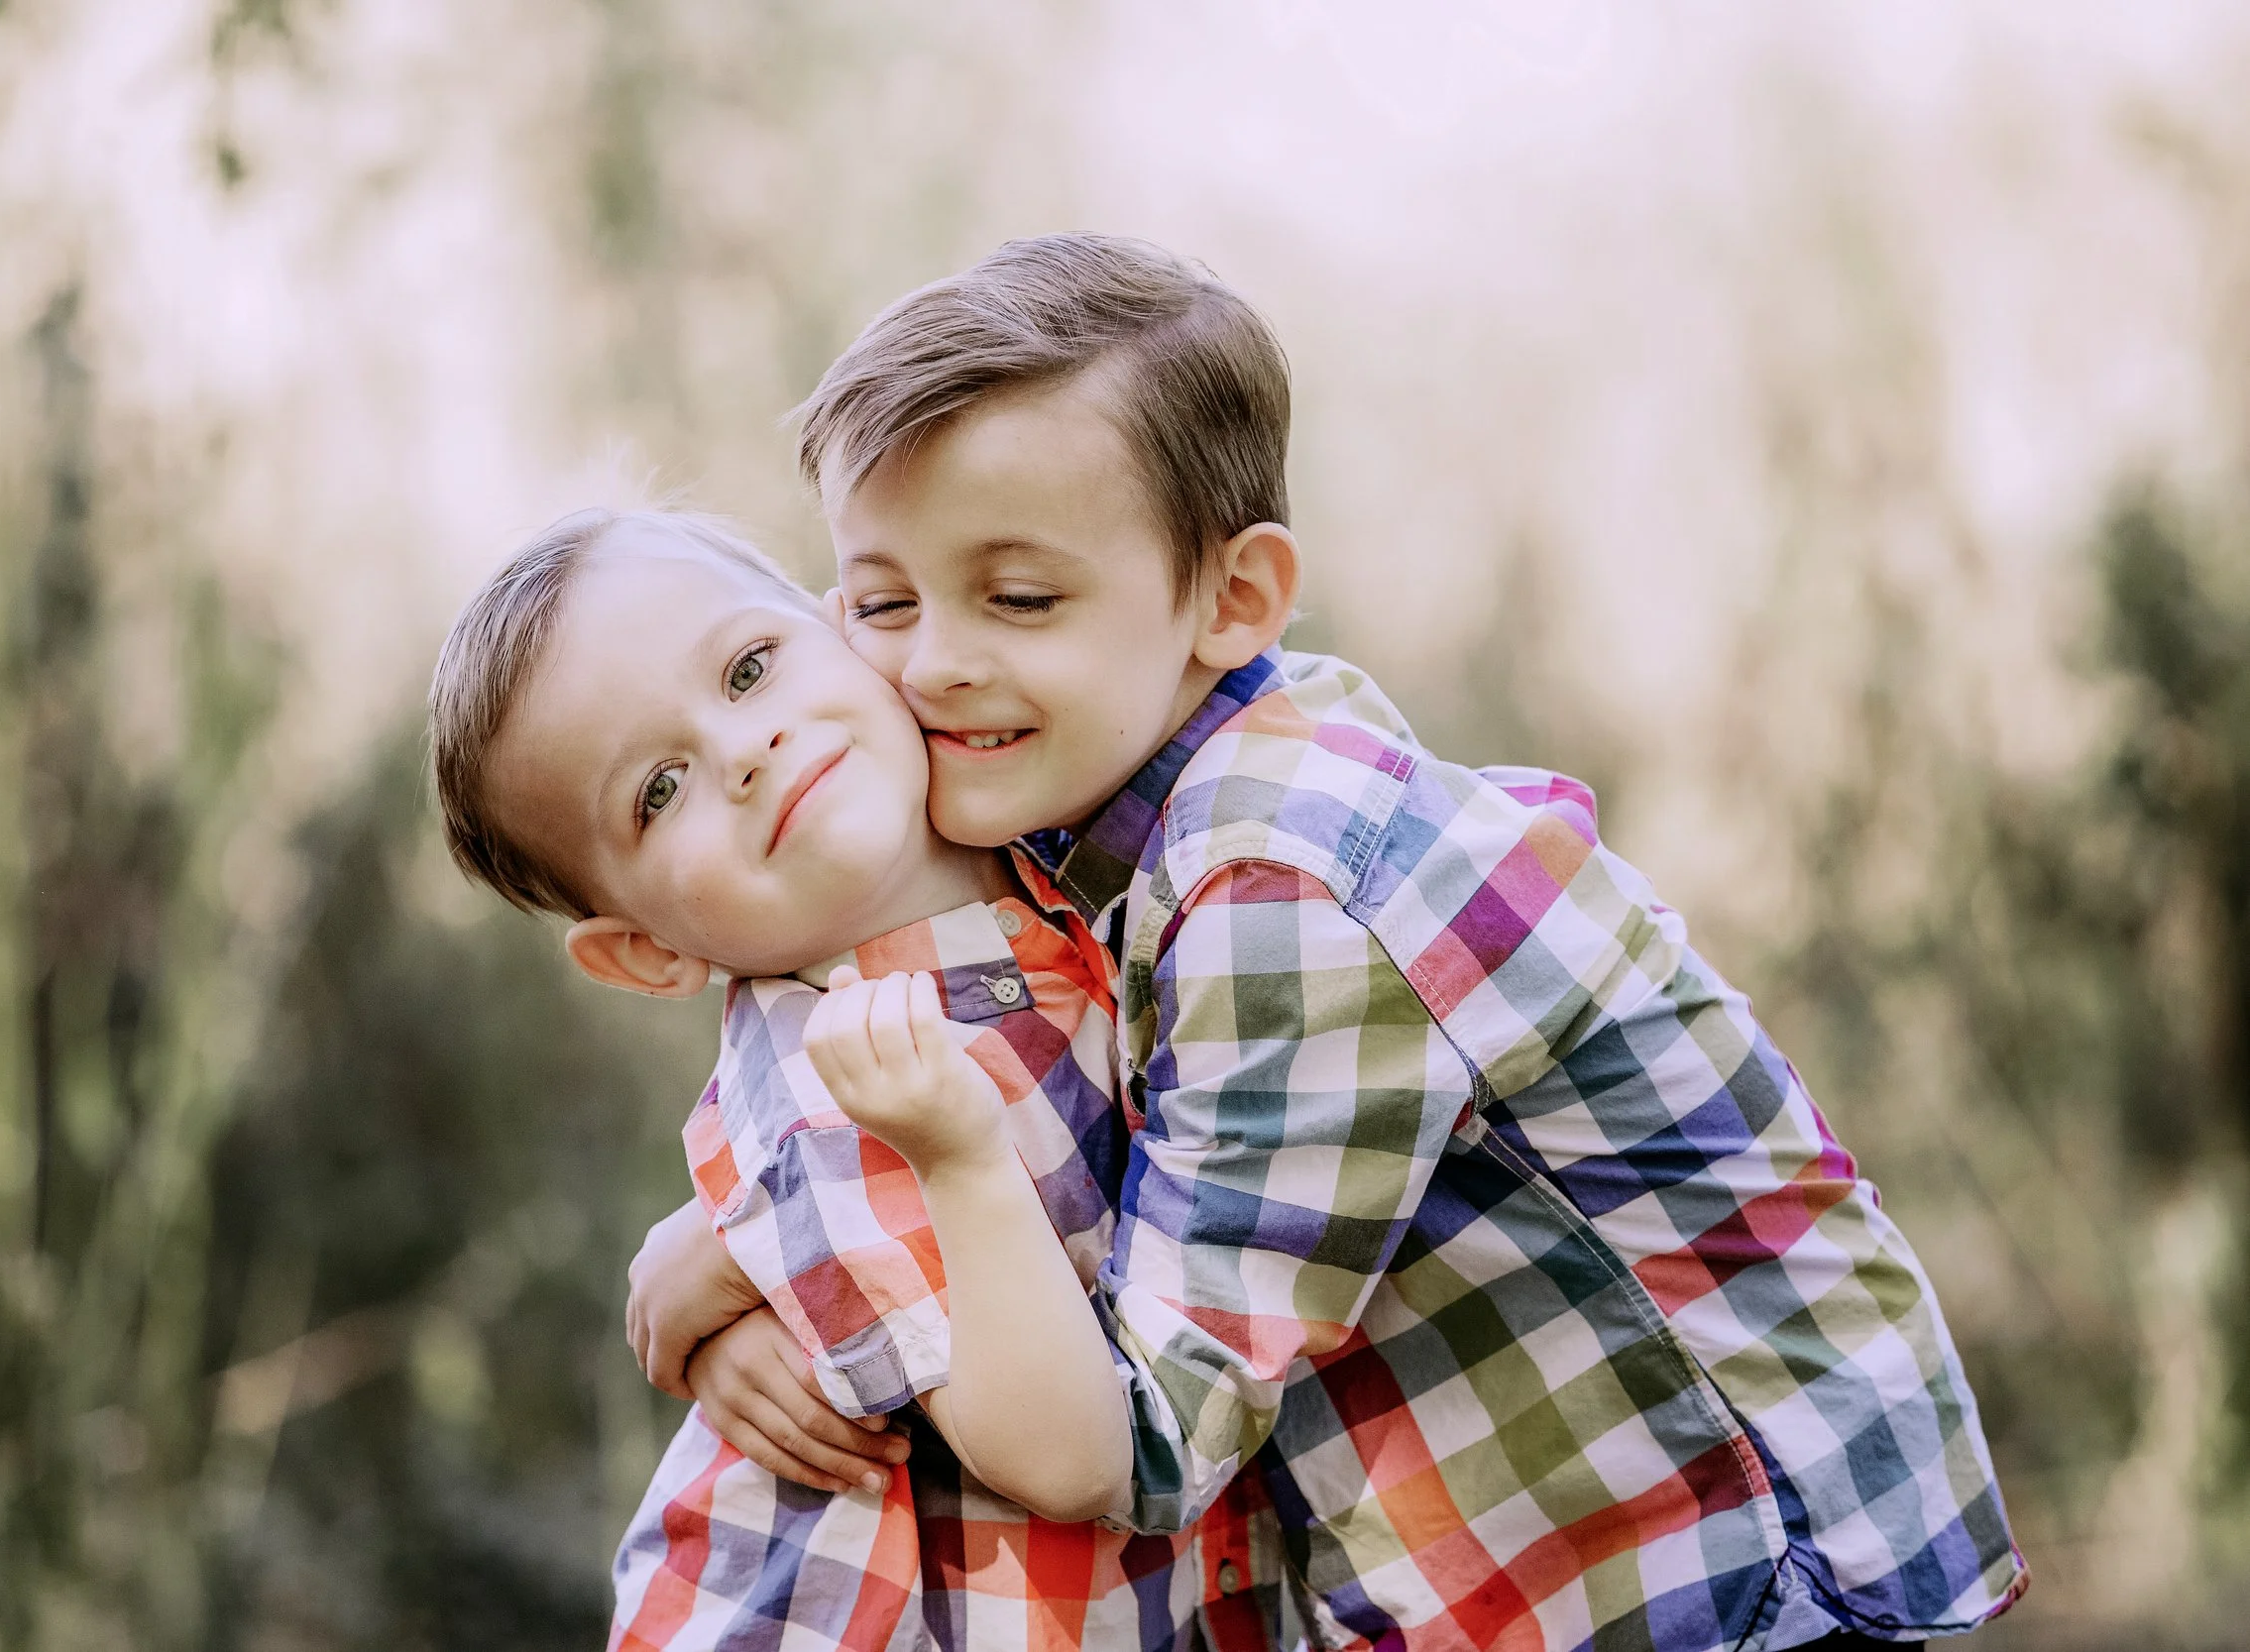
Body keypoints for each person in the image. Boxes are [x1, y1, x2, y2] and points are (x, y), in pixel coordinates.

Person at [634, 234, 2029, 1651]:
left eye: (1022, 596)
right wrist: (741, 1237)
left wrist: (778, 1252)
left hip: (1728, 1565)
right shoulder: (1108, 788)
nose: (932, 661)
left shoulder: (1278, 880)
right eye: (883, 602)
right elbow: (1086, 1131)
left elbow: (1144, 1431)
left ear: (1231, 599)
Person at [427, 507, 1282, 1652]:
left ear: (847, 630)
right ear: (646, 949)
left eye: (747, 668)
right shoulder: (840, 1092)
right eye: (658, 789)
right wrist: (904, 1173)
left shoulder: (1045, 842)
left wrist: (726, 1250)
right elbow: (1070, 1460)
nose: (741, 750)